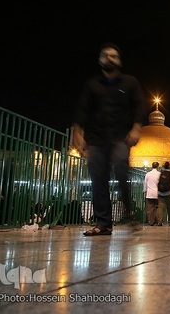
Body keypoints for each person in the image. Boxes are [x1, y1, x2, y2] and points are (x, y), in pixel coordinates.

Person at [72, 42, 145, 236]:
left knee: (121, 170)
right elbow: (82, 109)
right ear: (100, 60)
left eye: (114, 56)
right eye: (106, 55)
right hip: (96, 137)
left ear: (119, 61)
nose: (110, 59)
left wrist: (136, 128)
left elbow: (139, 107)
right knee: (99, 179)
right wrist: (77, 131)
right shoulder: (92, 84)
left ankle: (129, 213)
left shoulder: (130, 83)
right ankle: (104, 223)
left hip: (120, 136)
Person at [157, 161, 170, 226]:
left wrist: (157, 193)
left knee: (160, 208)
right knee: (169, 208)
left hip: (160, 193)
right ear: (169, 166)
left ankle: (159, 221)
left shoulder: (161, 174)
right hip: (168, 193)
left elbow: (158, 183)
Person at [143, 162, 160, 226]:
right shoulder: (159, 174)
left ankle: (151, 222)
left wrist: (145, 191)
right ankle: (158, 221)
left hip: (149, 193)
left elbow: (145, 184)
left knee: (150, 209)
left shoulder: (148, 174)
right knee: (158, 208)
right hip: (157, 193)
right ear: (158, 166)